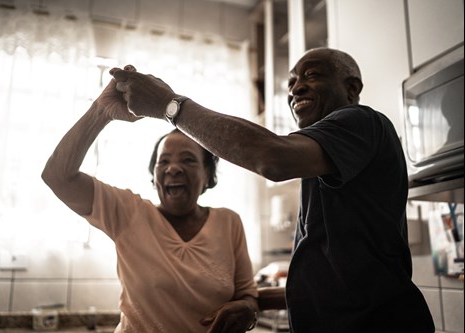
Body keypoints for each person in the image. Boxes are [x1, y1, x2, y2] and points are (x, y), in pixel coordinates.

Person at [109, 48, 436, 332]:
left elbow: (272, 158)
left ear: (352, 88)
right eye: (291, 82)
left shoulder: (361, 121)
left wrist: (170, 105)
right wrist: (253, 301)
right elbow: (343, 283)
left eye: (312, 75)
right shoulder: (325, 160)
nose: (296, 88)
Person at [41, 71, 259, 333]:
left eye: (188, 160)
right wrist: (101, 111)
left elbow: (248, 295)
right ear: (154, 177)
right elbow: (58, 177)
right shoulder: (129, 213)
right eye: (163, 161)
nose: (173, 169)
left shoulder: (229, 222)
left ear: (208, 176)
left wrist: (248, 309)